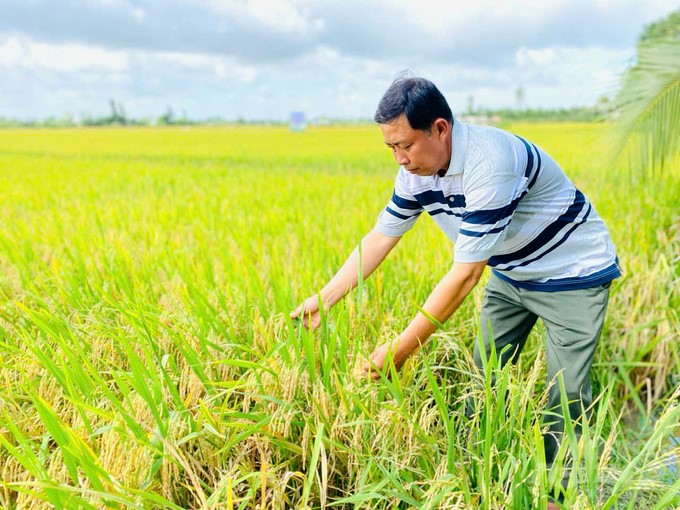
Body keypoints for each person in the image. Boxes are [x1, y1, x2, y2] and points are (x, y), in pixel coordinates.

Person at [290, 75, 620, 503]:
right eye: (391, 148)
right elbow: (380, 238)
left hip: (571, 273)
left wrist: (400, 351)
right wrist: (324, 299)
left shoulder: (491, 163)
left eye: (405, 145)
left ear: (440, 129)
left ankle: (560, 494)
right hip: (511, 271)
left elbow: (465, 275)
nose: (400, 159)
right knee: (483, 373)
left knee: (567, 392)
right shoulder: (415, 173)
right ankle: (475, 470)